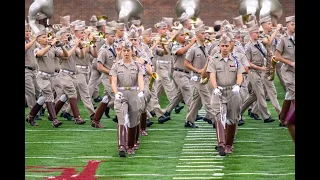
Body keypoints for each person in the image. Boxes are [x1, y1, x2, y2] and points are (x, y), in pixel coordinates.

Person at [206, 34, 245, 156]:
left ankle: (229, 145)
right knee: (219, 117)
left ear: (230, 46)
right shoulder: (214, 59)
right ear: (219, 46)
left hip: (232, 92)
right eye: (222, 45)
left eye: (226, 45)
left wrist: (238, 85)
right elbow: (211, 75)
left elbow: (240, 74)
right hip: (219, 92)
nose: (224, 48)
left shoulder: (236, 59)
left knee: (232, 119)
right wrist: (215, 87)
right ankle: (221, 144)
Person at [26, 29, 69, 127]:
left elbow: (65, 56)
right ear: (38, 40)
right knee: (49, 96)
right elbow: (40, 54)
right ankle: (54, 120)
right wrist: (50, 45)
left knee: (42, 98)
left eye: (47, 37)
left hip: (52, 77)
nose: (47, 39)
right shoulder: (37, 49)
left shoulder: (52, 49)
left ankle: (31, 117)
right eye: (44, 37)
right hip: (42, 77)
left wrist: (62, 46)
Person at [110, 40, 145, 156]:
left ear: (132, 51)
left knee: (133, 119)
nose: (126, 53)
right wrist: (116, 93)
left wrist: (141, 91)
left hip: (133, 93)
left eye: (128, 50)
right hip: (121, 93)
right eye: (124, 50)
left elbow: (140, 79)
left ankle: (130, 144)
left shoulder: (137, 65)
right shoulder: (116, 65)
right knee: (121, 117)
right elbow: (113, 81)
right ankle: (121, 146)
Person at [240, 24, 275, 123]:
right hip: (253, 72)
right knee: (260, 94)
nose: (258, 34)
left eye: (259, 32)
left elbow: (265, 55)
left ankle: (239, 111)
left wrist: (270, 56)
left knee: (254, 95)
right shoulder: (248, 47)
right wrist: (261, 68)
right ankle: (266, 116)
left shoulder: (259, 44)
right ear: (251, 34)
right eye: (257, 33)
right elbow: (247, 62)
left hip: (261, 71)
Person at [184, 24, 215, 128]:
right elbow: (186, 63)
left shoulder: (206, 47)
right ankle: (215, 119)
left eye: (205, 33)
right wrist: (197, 70)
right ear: (197, 35)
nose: (205, 35)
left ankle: (189, 120)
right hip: (198, 78)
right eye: (203, 33)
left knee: (196, 101)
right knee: (207, 98)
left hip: (205, 77)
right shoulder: (193, 49)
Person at [275, 15, 295, 142]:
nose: (294, 26)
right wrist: (290, 63)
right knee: (293, 93)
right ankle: (292, 120)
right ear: (287, 25)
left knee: (289, 94)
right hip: (288, 71)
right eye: (292, 24)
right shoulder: (283, 40)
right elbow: (277, 56)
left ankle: (282, 118)